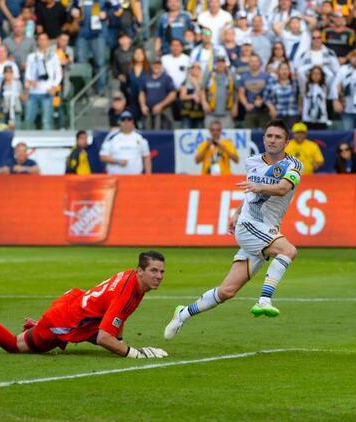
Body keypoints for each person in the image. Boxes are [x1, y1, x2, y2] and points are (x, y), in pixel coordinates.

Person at [164, 119, 302, 340]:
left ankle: (183, 313)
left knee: (227, 291)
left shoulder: (294, 165)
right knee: (288, 251)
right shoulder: (252, 162)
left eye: (277, 137)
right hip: (249, 226)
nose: (272, 140)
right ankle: (264, 300)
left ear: (286, 142)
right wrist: (237, 213)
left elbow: (282, 188)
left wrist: (258, 187)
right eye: (269, 136)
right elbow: (251, 194)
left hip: (267, 229)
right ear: (264, 138)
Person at [0, 251, 169, 358]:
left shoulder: (131, 279)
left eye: (161, 271)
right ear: (140, 271)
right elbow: (103, 337)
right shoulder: (127, 293)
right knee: (14, 345)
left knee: (100, 333)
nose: (158, 276)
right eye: (153, 271)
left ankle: (40, 327)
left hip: (73, 305)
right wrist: (135, 354)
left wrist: (119, 342)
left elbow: (113, 319)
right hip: (64, 320)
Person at [23, 32, 62, 130]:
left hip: (47, 92)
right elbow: (28, 73)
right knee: (28, 119)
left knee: (46, 120)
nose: (42, 42)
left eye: (45, 39)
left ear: (48, 41)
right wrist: (29, 83)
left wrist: (54, 86)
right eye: (40, 39)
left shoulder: (53, 56)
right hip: (33, 92)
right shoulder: (31, 57)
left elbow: (58, 74)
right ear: (37, 41)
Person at [99, 111, 151, 175]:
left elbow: (146, 157)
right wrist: (118, 161)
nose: (126, 122)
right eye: (123, 120)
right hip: (115, 177)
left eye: (129, 119)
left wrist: (148, 175)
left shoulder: (140, 137)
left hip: (135, 177)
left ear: (133, 122)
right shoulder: (111, 136)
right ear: (120, 122)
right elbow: (103, 157)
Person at [139, 59, 176, 130]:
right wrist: (143, 106)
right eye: (155, 64)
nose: (156, 66)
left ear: (161, 66)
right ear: (151, 66)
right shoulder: (145, 78)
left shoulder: (167, 78)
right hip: (148, 111)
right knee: (147, 131)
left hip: (164, 111)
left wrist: (160, 105)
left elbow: (173, 95)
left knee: (163, 132)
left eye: (158, 65)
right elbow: (142, 93)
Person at [202, 55, 237, 128]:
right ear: (215, 64)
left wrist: (235, 106)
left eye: (222, 62)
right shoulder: (209, 74)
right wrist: (204, 103)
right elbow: (202, 89)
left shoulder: (231, 75)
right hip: (211, 112)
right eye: (218, 62)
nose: (220, 64)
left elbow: (237, 91)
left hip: (227, 112)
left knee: (227, 136)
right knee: (210, 136)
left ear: (225, 64)